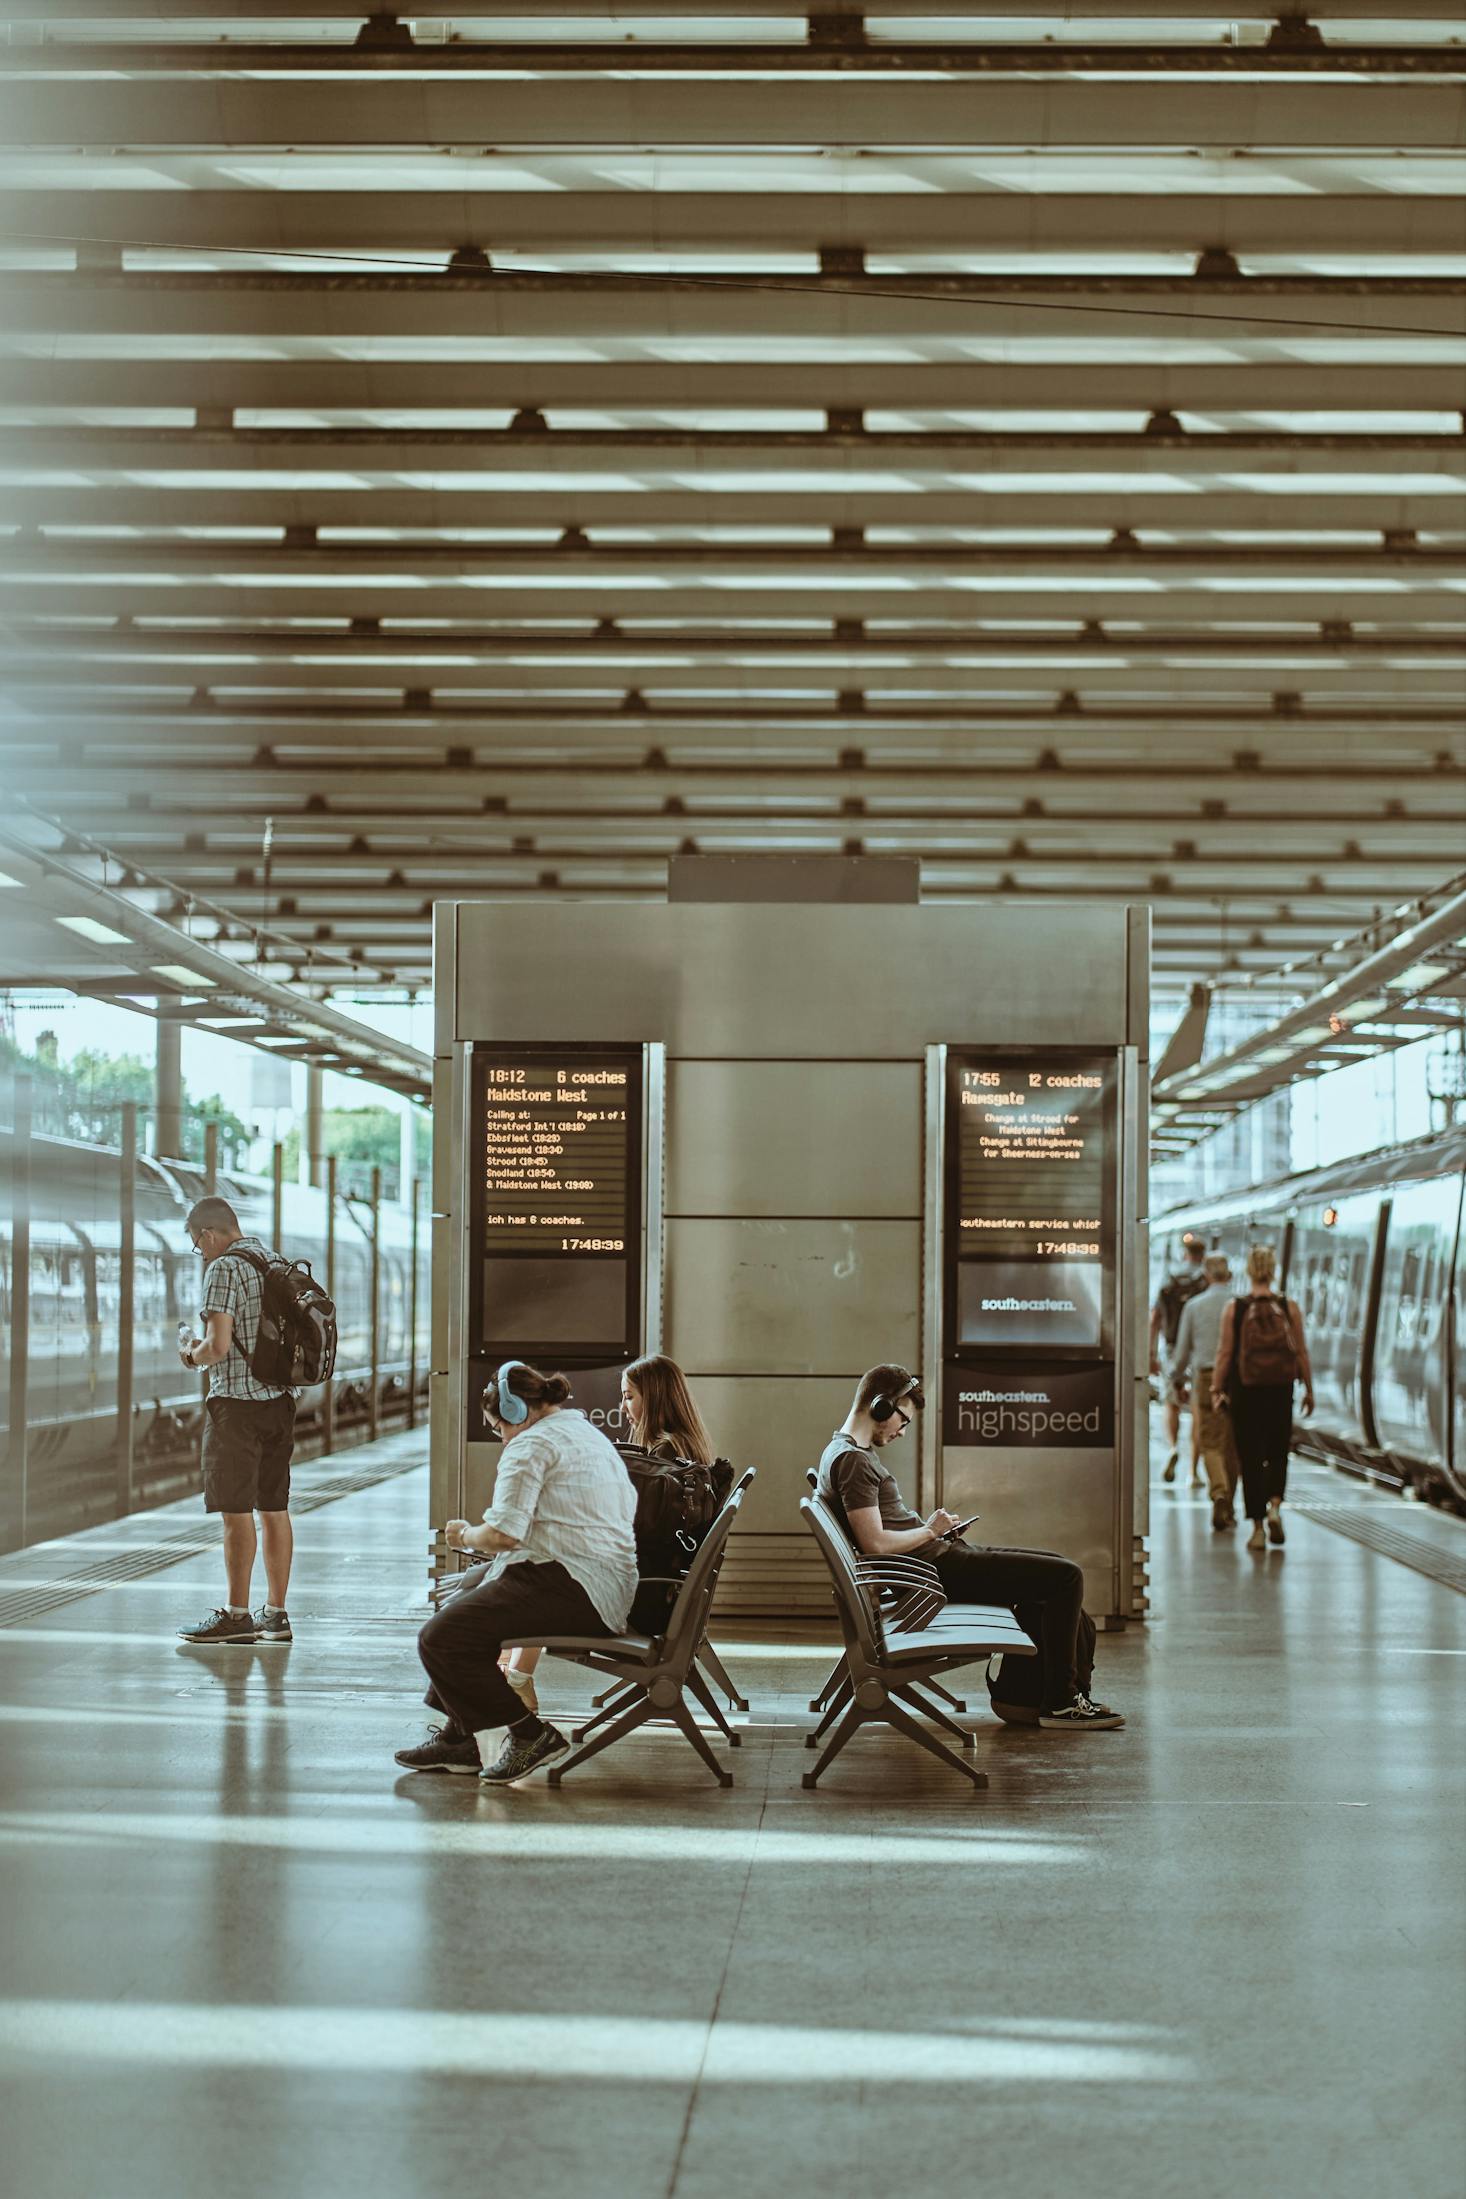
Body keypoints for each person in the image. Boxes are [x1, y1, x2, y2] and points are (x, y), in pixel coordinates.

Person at [816, 1363, 1124, 1731]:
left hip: (937, 1563)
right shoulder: (853, 1461)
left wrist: (936, 1533)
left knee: (1056, 1569)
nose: (902, 1430)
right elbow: (876, 1543)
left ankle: (1023, 1696)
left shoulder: (845, 1451)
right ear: (881, 1406)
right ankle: (1060, 1701)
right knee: (1066, 1577)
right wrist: (931, 1531)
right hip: (934, 1575)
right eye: (904, 1419)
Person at [399, 1361, 638, 1785]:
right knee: (465, 1606)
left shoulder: (530, 1445)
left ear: (515, 1412)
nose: (502, 1436)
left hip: (574, 1585)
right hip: (605, 1583)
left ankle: (531, 1735)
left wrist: (465, 1535)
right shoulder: (583, 1431)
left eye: (498, 1427)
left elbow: (504, 1534)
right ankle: (457, 1740)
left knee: (440, 1637)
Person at [176, 1196, 297, 1646]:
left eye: (197, 1244)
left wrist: (191, 1354)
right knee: (274, 1508)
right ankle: (277, 1614)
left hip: (237, 1406)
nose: (201, 1252)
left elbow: (218, 1345)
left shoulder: (223, 1268)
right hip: (280, 1403)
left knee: (236, 1511)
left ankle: (237, 1614)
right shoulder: (272, 1259)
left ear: (209, 1233)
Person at [1212, 1246, 1314, 1551]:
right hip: (1281, 1390)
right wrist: (1309, 1388)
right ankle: (1274, 1508)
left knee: (1251, 1458)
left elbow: (1225, 1353)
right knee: (1278, 1452)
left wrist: (1216, 1388)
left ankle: (1257, 1529)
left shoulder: (1236, 1308)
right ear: (1272, 1270)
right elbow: (1301, 1351)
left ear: (1249, 1271)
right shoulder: (1288, 1306)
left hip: (1246, 1391)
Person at [1169, 1254, 1243, 1532]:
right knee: (1232, 1444)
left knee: (1210, 1440)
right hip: (1238, 1380)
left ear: (1207, 1276)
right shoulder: (1240, 1305)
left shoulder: (1194, 1306)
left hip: (1207, 1377)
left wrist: (1176, 1379)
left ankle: (1219, 1493)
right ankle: (1231, 1507)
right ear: (1230, 1275)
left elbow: (1183, 1350)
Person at [1150, 1233, 1208, 1483]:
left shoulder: (1169, 1280)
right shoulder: (1204, 1281)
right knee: (1197, 1409)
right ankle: (1193, 1471)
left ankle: (1173, 1447)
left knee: (1171, 1404)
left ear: (1184, 1253)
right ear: (1202, 1255)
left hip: (1172, 1349)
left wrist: (1151, 1353)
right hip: (1199, 1350)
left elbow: (1155, 1319)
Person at [620, 1352, 715, 1464]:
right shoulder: (685, 1444)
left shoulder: (665, 1451)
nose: (622, 1408)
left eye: (628, 1397)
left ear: (653, 1399)